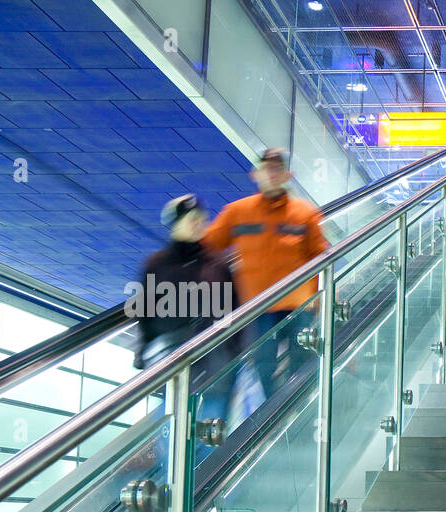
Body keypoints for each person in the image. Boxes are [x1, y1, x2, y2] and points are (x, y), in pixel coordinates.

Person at [202, 147, 329, 397]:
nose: (271, 173)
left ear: (288, 175)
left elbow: (320, 257)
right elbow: (207, 246)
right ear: (255, 174)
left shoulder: (305, 214)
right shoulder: (237, 212)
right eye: (266, 168)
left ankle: (297, 406)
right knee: (263, 365)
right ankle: (277, 411)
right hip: (258, 307)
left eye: (277, 168)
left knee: (301, 360)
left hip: (299, 305)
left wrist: (321, 296)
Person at [130, 193, 236, 435]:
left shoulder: (219, 265)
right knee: (172, 425)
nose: (198, 223)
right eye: (191, 219)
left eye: (201, 218)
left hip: (214, 356)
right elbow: (144, 312)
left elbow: (234, 310)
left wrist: (234, 351)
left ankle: (209, 461)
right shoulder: (157, 265)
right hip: (172, 357)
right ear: (175, 225)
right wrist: (141, 353)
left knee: (214, 428)